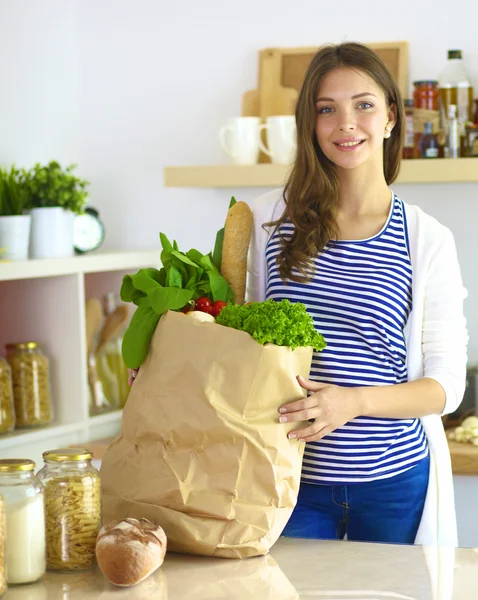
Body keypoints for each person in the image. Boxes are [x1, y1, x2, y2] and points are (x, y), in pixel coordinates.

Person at [246, 42, 468, 546]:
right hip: (287, 476)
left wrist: (353, 403)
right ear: (311, 123)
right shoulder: (266, 222)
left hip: (395, 484)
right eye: (327, 109)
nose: (346, 123)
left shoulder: (426, 238)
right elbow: (228, 339)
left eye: (363, 105)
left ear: (391, 118)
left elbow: (446, 386)